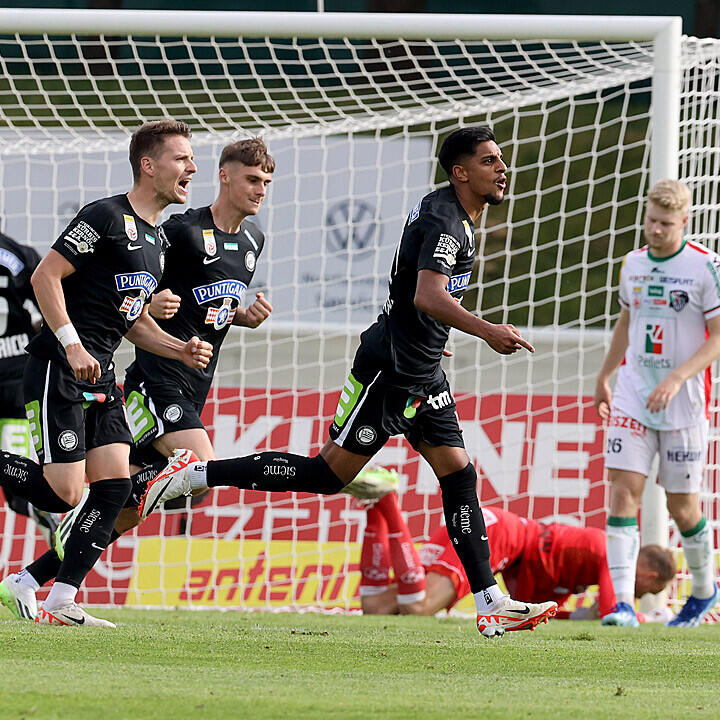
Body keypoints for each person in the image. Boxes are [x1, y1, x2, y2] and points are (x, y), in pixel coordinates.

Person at [140, 126, 558, 638]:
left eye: (502, 159)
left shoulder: (456, 214)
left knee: (459, 475)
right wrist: (486, 330)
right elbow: (427, 294)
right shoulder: (447, 219)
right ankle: (199, 475)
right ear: (461, 172)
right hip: (389, 372)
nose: (502, 169)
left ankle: (490, 600)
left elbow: (408, 289)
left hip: (422, 368)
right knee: (327, 475)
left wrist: (427, 334)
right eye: (491, 161)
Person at [0, 139, 275, 621]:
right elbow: (46, 276)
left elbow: (131, 318)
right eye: (182, 159)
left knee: (112, 491)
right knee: (64, 492)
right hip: (64, 366)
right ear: (149, 166)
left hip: (105, 372)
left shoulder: (156, 240)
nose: (192, 167)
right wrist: (71, 343)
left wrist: (179, 346)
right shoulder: (108, 217)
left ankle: (56, 596)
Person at [595, 179, 720, 628]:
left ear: (684, 222)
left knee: (682, 506)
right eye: (650, 221)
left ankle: (705, 590)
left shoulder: (705, 267)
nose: (656, 230)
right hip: (632, 393)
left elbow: (718, 336)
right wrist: (605, 375)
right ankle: (623, 605)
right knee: (623, 490)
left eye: (666, 224)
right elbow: (627, 322)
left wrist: (677, 375)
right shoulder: (633, 264)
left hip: (682, 401)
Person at [354, 484, 674, 618]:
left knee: (377, 607)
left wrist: (581, 616)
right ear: (649, 575)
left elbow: (543, 611)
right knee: (419, 607)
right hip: (502, 536)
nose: (643, 596)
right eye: (651, 590)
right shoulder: (613, 554)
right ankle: (390, 502)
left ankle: (377, 507)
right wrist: (652, 619)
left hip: (498, 530)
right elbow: (613, 614)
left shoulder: (578, 568)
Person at [0, 230, 60, 546]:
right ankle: (37, 505)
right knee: (15, 469)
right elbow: (48, 303)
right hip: (17, 382)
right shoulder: (17, 253)